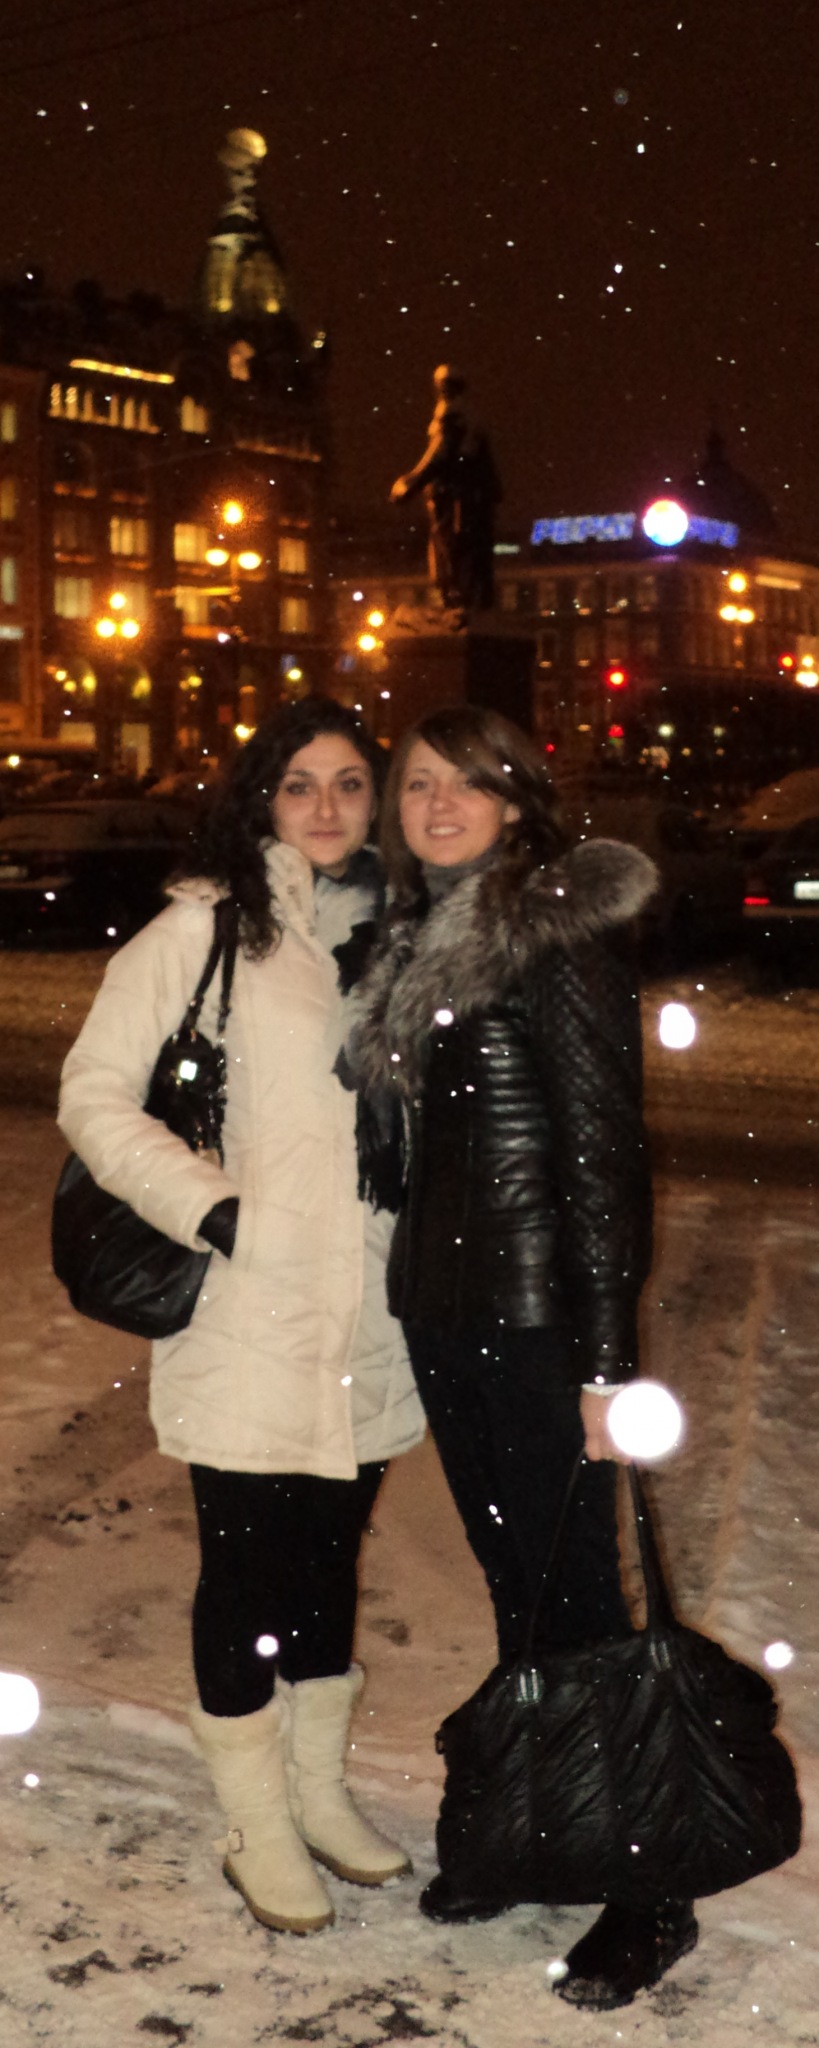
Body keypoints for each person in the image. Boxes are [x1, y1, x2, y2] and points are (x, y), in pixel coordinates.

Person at [346, 703, 698, 2010]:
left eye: (466, 782)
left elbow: (606, 1163)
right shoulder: (413, 937)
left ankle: (649, 1887)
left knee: (583, 1606)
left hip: (543, 1325)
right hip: (445, 1314)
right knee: (516, 1586)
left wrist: (605, 1362)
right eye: (417, 784)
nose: (437, 804)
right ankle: (539, 1828)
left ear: (515, 798)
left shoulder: (553, 936)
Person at [58, 695, 425, 1936]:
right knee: (248, 1570)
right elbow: (94, 1094)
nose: (327, 806)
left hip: (370, 1315)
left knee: (328, 1562)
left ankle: (316, 1792)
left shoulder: (402, 936)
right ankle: (255, 1822)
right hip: (248, 1304)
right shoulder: (205, 926)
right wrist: (214, 1210)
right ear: (261, 797)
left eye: (351, 783)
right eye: (299, 782)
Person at [390, 364, 501, 614]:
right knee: (472, 552)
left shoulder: (452, 415)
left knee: (451, 550)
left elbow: (440, 454)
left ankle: (458, 603)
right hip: (472, 499)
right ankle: (475, 602)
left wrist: (411, 482)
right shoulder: (472, 419)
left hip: (454, 499)